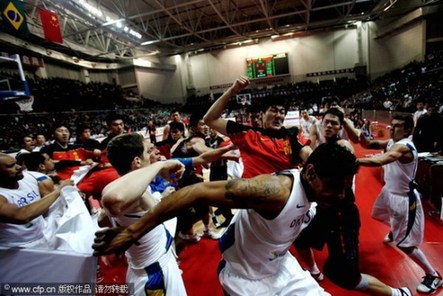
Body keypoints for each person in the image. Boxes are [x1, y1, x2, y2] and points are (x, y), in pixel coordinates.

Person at [93, 143, 358, 295]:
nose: (342, 195)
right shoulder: (274, 192)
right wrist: (132, 232)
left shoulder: (317, 192)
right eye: (336, 186)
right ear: (311, 173)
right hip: (246, 279)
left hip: (281, 267)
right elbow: (196, 191)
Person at [294, 108, 412, 296]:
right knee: (300, 240)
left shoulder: (343, 146)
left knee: (345, 277)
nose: (329, 126)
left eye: (334, 123)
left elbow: (343, 153)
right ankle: (313, 270)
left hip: (341, 215)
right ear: (320, 123)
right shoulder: (321, 148)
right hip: (324, 210)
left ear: (340, 127)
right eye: (326, 122)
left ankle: (399, 294)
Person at [358, 115, 442, 295]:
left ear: (407, 130)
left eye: (397, 126)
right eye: (392, 125)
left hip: (405, 199)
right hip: (389, 192)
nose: (392, 129)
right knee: (377, 215)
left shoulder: (404, 146)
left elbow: (379, 160)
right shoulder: (392, 142)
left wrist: (351, 161)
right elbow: (368, 145)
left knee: (405, 245)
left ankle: (433, 275)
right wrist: (357, 131)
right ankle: (396, 228)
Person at [101, 133, 188, 296]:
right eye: (148, 152)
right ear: (137, 162)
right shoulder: (130, 195)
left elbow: (103, 218)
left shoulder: (135, 188)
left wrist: (161, 198)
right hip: (155, 275)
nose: (154, 155)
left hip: (153, 263)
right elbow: (113, 201)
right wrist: (160, 165)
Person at [0, 153, 72, 249]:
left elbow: (47, 202)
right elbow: (21, 215)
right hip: (17, 247)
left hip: (44, 234)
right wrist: (59, 190)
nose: (19, 167)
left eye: (16, 163)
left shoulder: (30, 177)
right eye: (11, 166)